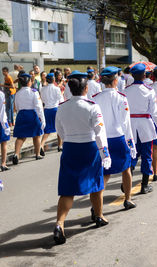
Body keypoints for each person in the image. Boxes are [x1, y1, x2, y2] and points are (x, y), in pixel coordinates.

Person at [53, 71, 111, 244]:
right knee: (96, 184)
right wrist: (105, 153)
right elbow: (100, 132)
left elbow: (59, 130)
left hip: (70, 147)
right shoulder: (92, 106)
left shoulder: (62, 107)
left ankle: (59, 224)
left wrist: (69, 139)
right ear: (86, 88)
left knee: (67, 189)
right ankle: (99, 215)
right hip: (89, 147)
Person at [92, 66, 136, 210]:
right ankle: (128, 199)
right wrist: (131, 144)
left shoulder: (95, 98)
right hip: (118, 137)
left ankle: (96, 206)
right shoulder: (121, 97)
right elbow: (126, 123)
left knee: (104, 173)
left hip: (102, 139)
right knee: (126, 169)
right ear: (115, 80)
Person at [124, 63, 157, 194]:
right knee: (146, 155)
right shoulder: (149, 91)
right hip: (145, 126)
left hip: (130, 126)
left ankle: (127, 182)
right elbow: (154, 113)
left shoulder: (126, 90)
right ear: (144, 75)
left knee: (132, 154)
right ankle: (144, 185)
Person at [12, 73, 45, 164]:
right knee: (36, 135)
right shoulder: (34, 92)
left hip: (21, 114)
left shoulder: (17, 93)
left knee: (21, 137)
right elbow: (39, 107)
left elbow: (17, 106)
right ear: (29, 82)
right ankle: (37, 154)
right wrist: (42, 119)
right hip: (32, 114)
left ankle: (16, 154)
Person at [40, 73, 64, 156]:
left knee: (47, 129)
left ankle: (41, 145)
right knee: (59, 127)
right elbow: (61, 100)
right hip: (55, 109)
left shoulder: (43, 89)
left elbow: (42, 99)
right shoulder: (56, 89)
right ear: (53, 80)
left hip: (46, 109)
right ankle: (60, 145)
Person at [0, 84, 10, 171]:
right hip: (1, 121)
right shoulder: (1, 94)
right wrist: (5, 125)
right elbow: (2, 111)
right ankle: (3, 163)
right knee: (4, 142)